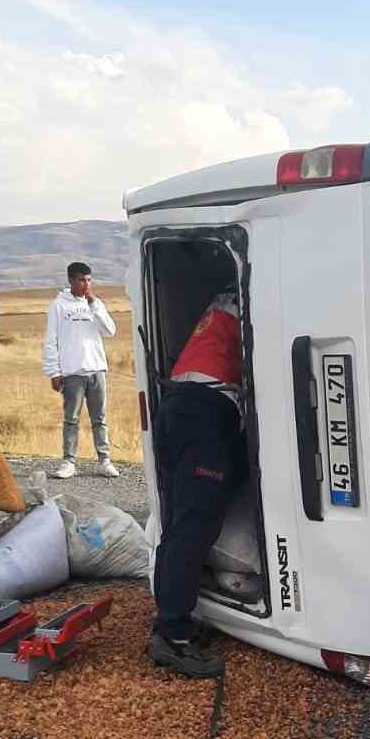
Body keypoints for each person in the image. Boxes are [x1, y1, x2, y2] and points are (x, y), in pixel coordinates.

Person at [148, 289, 247, 680]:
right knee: (193, 527)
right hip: (206, 415)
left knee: (178, 524)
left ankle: (173, 621)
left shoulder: (224, 296)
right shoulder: (252, 291)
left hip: (177, 406)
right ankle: (172, 635)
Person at [42, 261, 119, 479]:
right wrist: (53, 372)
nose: (85, 284)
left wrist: (95, 305)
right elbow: (51, 340)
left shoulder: (95, 304)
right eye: (81, 280)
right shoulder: (59, 305)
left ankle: (105, 460)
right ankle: (69, 462)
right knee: (71, 419)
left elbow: (110, 331)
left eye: (88, 280)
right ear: (71, 281)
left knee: (99, 418)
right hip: (72, 371)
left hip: (96, 369)